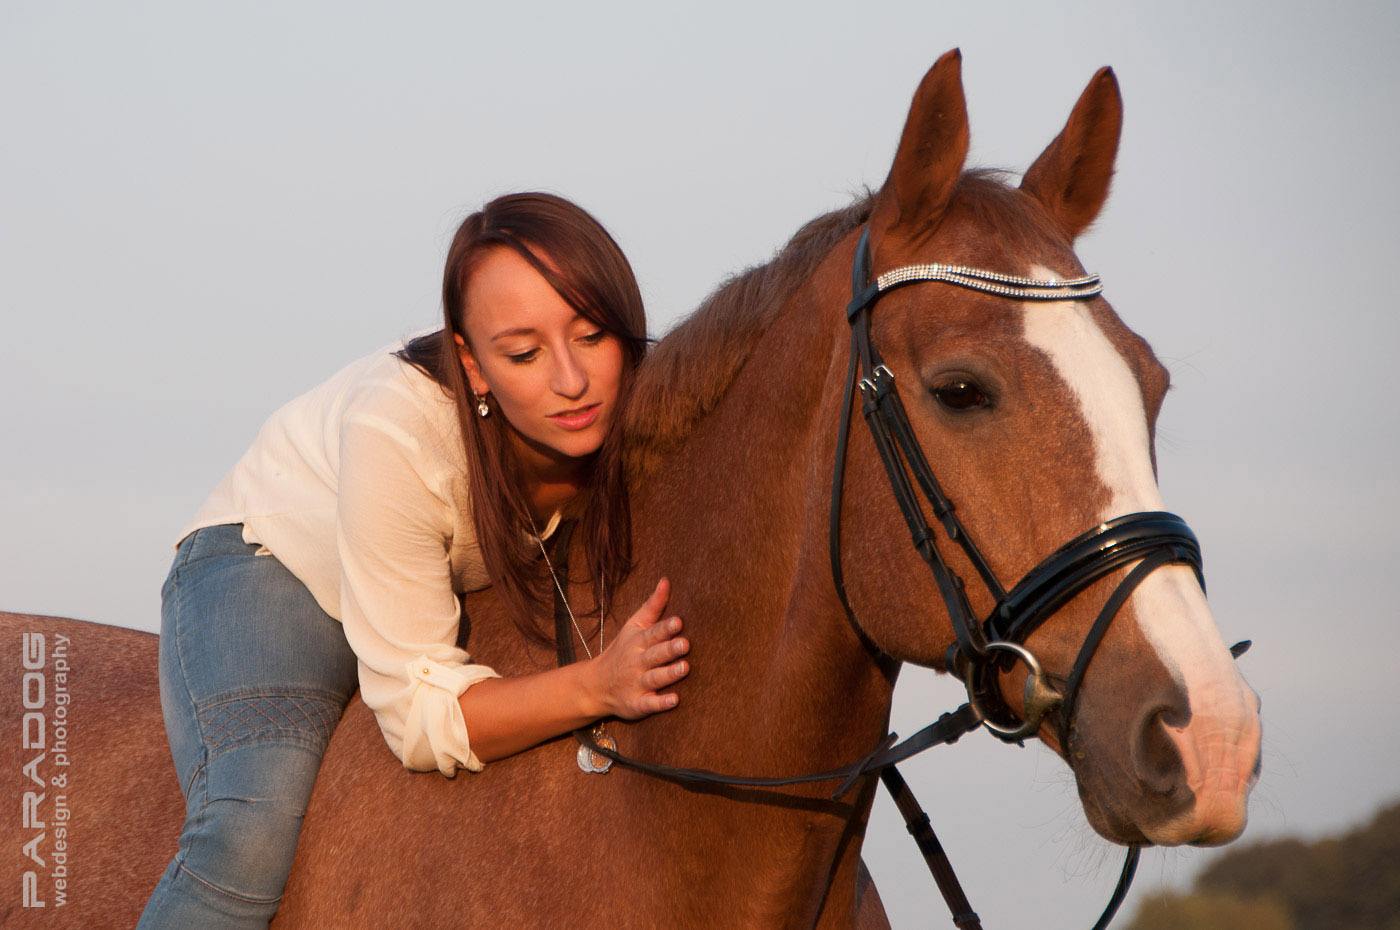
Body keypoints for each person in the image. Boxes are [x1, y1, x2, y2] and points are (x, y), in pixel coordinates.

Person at [137, 192, 690, 929]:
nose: (571, 380)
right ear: (473, 364)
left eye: (592, 336)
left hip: (428, 573)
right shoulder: (398, 430)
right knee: (250, 830)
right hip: (278, 567)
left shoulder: (645, 400)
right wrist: (596, 685)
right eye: (524, 354)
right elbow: (420, 718)